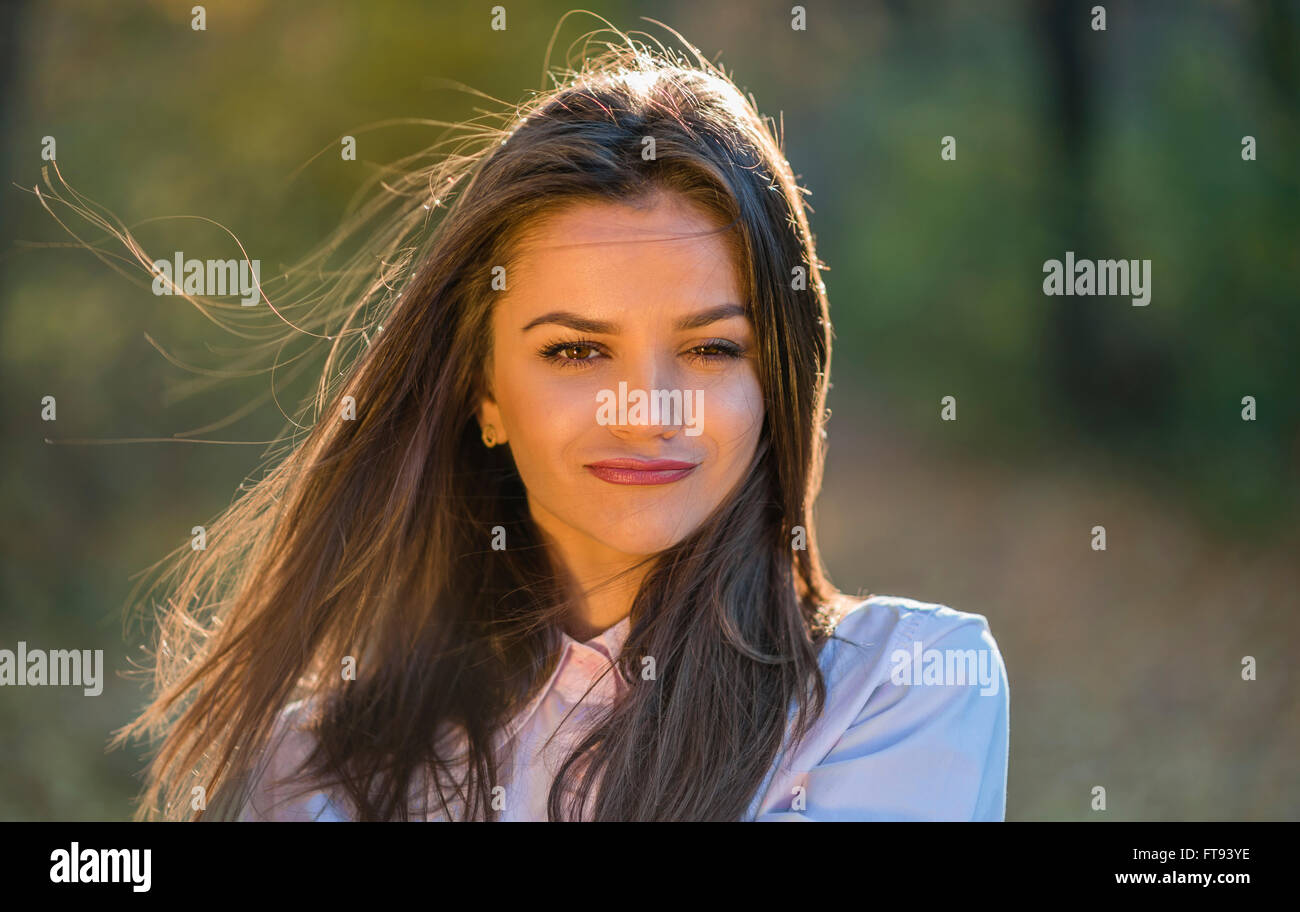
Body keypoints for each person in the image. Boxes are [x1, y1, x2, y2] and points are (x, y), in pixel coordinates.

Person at [105, 30, 1008, 821]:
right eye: (577, 352)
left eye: (712, 350)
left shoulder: (904, 689)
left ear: (775, 381)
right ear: (483, 394)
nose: (647, 409)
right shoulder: (320, 768)